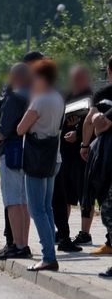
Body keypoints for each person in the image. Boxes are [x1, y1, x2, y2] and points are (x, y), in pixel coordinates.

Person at [17, 59, 65, 272]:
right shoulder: (58, 98)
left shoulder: (40, 101)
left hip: (36, 160)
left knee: (36, 210)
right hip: (53, 156)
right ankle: (50, 250)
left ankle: (48, 257)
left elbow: (21, 128)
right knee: (47, 207)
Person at [0, 63, 31, 260]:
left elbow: (4, 129)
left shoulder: (14, 96)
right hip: (28, 151)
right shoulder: (33, 95)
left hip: (12, 151)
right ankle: (24, 244)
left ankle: (18, 245)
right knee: (24, 201)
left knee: (13, 201)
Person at [53, 65, 91, 253]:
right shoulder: (64, 96)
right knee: (65, 194)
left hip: (82, 153)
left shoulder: (90, 96)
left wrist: (78, 135)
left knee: (85, 193)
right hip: (65, 153)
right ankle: (63, 231)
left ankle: (85, 233)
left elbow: (89, 120)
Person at [79, 56, 112, 255]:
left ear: (109, 71)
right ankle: (109, 242)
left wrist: (84, 145)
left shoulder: (101, 94)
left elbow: (92, 122)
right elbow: (95, 122)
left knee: (104, 196)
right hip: (104, 151)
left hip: (105, 153)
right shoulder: (101, 94)